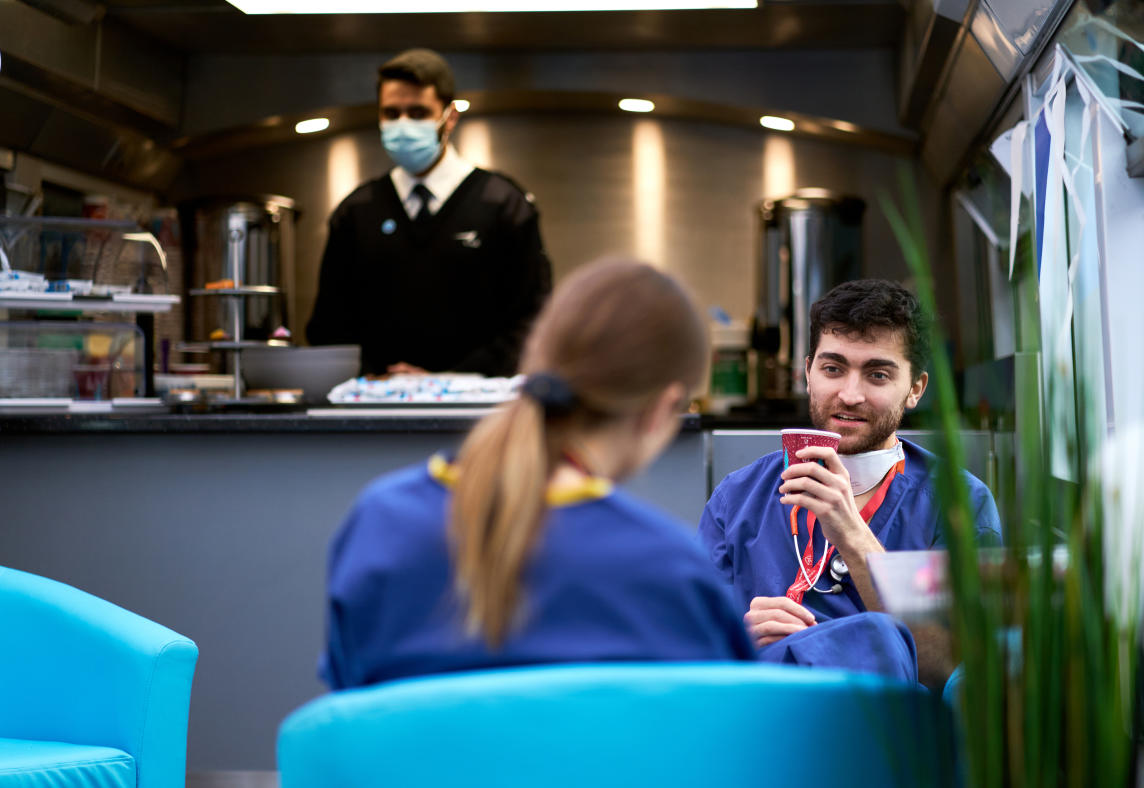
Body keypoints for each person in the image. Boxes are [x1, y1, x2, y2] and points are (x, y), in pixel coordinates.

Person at [320, 257, 755, 689]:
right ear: (662, 410)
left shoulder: (378, 523)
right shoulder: (672, 571)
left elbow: (349, 708)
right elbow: (726, 738)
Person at [698, 279, 1001, 688]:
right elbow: (692, 657)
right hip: (762, 727)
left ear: (915, 389)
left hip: (884, 740)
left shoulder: (960, 505)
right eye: (833, 369)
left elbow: (951, 671)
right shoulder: (736, 500)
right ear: (808, 372)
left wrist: (853, 534)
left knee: (883, 639)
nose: (850, 394)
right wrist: (739, 637)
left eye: (877, 374)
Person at [306, 48, 551, 377]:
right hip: (374, 405)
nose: (403, 124)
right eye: (391, 114)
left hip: (479, 409)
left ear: (449, 117)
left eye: (418, 113)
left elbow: (534, 321)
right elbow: (328, 325)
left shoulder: (504, 205)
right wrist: (377, 378)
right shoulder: (356, 212)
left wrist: (449, 381)